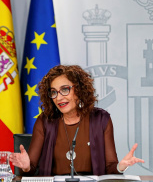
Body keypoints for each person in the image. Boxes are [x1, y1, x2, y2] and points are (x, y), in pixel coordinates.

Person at [10, 65, 144, 176]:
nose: (59, 97)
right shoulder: (45, 121)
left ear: (78, 90)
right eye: (54, 92)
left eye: (64, 90)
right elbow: (31, 168)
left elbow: (110, 168)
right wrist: (26, 166)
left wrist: (121, 167)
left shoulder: (101, 119)